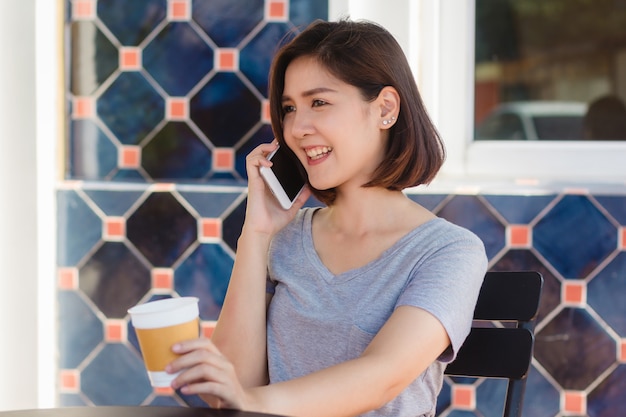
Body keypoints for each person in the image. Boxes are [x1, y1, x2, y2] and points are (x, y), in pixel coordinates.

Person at [165, 19, 488, 417]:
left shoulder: (449, 252)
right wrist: (257, 232)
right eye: (288, 109)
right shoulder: (284, 239)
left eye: (319, 102)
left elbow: (381, 377)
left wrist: (250, 401)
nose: (297, 128)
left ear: (385, 109)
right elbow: (228, 392)